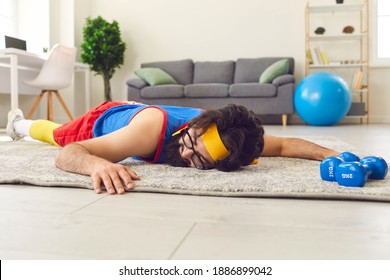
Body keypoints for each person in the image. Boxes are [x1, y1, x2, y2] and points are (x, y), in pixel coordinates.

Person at [6, 101, 339, 195]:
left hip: (138, 113)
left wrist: (332, 156)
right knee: (58, 135)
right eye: (190, 143)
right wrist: (97, 165)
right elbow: (69, 154)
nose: (184, 154)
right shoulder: (150, 132)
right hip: (104, 120)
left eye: (199, 162)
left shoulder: (232, 140)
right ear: (198, 124)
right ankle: (19, 124)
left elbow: (283, 146)